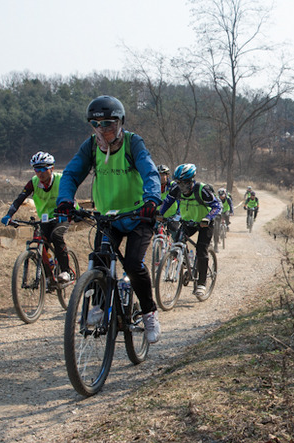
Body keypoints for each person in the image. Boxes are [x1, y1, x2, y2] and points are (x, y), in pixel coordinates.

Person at [55, 95, 163, 343]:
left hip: (138, 215)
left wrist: (151, 200)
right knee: (101, 261)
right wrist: (65, 200)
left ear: (120, 123)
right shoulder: (91, 146)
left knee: (134, 265)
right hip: (107, 218)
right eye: (97, 125)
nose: (103, 130)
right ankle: (100, 306)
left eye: (109, 124)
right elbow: (71, 173)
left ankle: (149, 314)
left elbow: (149, 170)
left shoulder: (133, 143)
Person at [1, 151, 72, 283]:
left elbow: (69, 196)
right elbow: (19, 199)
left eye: (43, 169)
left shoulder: (61, 180)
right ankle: (49, 277)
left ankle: (65, 271)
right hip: (45, 218)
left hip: (63, 216)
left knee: (56, 236)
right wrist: (9, 215)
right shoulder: (33, 182)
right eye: (36, 169)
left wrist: (67, 212)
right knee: (40, 242)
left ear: (52, 168)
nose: (40, 173)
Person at [158, 163, 221, 297]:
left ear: (191, 181)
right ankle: (184, 262)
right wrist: (160, 214)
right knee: (177, 241)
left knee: (201, 249)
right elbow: (168, 201)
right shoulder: (176, 188)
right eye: (179, 183)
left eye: (185, 183)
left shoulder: (202, 190)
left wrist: (208, 218)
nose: (182, 187)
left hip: (205, 223)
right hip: (188, 222)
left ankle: (202, 284)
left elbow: (216, 205)